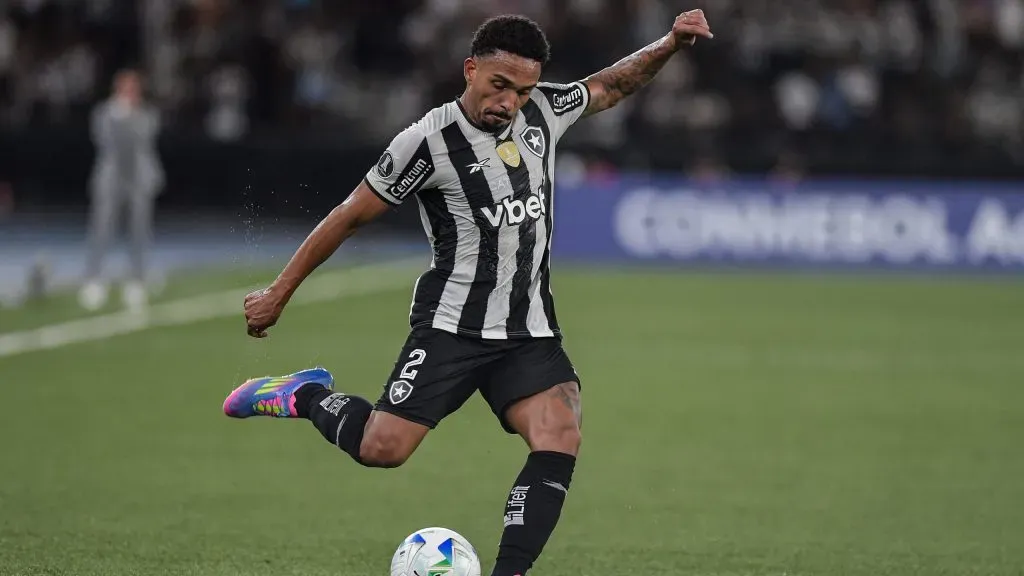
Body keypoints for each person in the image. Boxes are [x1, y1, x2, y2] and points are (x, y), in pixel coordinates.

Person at [224, 10, 713, 576]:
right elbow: (349, 216)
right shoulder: (427, 143)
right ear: (471, 69)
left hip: (527, 330)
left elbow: (612, 83)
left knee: (560, 433)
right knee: (383, 449)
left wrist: (671, 43)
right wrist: (279, 294)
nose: (508, 102)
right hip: (452, 326)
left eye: (522, 91)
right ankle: (302, 395)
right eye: (498, 85)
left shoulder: (545, 112)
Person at [79, 69, 164, 312]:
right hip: (110, 179)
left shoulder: (146, 114)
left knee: (139, 231)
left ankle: (136, 281)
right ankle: (93, 280)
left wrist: (130, 117)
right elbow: (105, 141)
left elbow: (143, 140)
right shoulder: (104, 113)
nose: (129, 92)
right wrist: (119, 117)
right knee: (101, 228)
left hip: (138, 180)